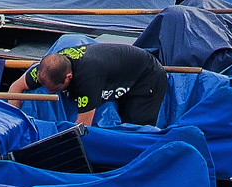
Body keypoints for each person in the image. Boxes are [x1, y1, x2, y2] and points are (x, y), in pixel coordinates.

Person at [9, 42, 169, 126]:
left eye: (55, 90)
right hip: (117, 68)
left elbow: (83, 125)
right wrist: (12, 122)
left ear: (68, 77)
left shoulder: (88, 78)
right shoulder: (46, 69)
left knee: (133, 130)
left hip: (147, 77)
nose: (50, 94)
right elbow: (15, 88)